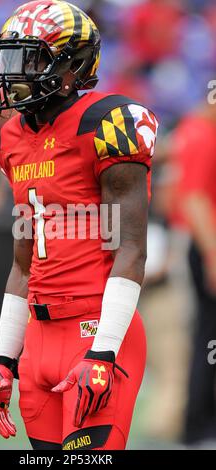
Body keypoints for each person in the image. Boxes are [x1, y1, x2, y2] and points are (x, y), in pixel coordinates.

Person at [0, 0, 158, 450]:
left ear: (71, 65)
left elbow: (132, 248)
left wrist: (103, 351)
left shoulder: (107, 123)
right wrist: (3, 356)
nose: (13, 71)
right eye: (9, 57)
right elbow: (23, 262)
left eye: (30, 58)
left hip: (93, 328)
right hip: (39, 340)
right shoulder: (12, 139)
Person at [173, 99, 216, 446]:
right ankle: (199, 425)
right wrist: (213, 253)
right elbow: (193, 198)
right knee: (207, 338)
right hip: (207, 247)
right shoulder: (202, 134)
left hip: (205, 245)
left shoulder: (197, 130)